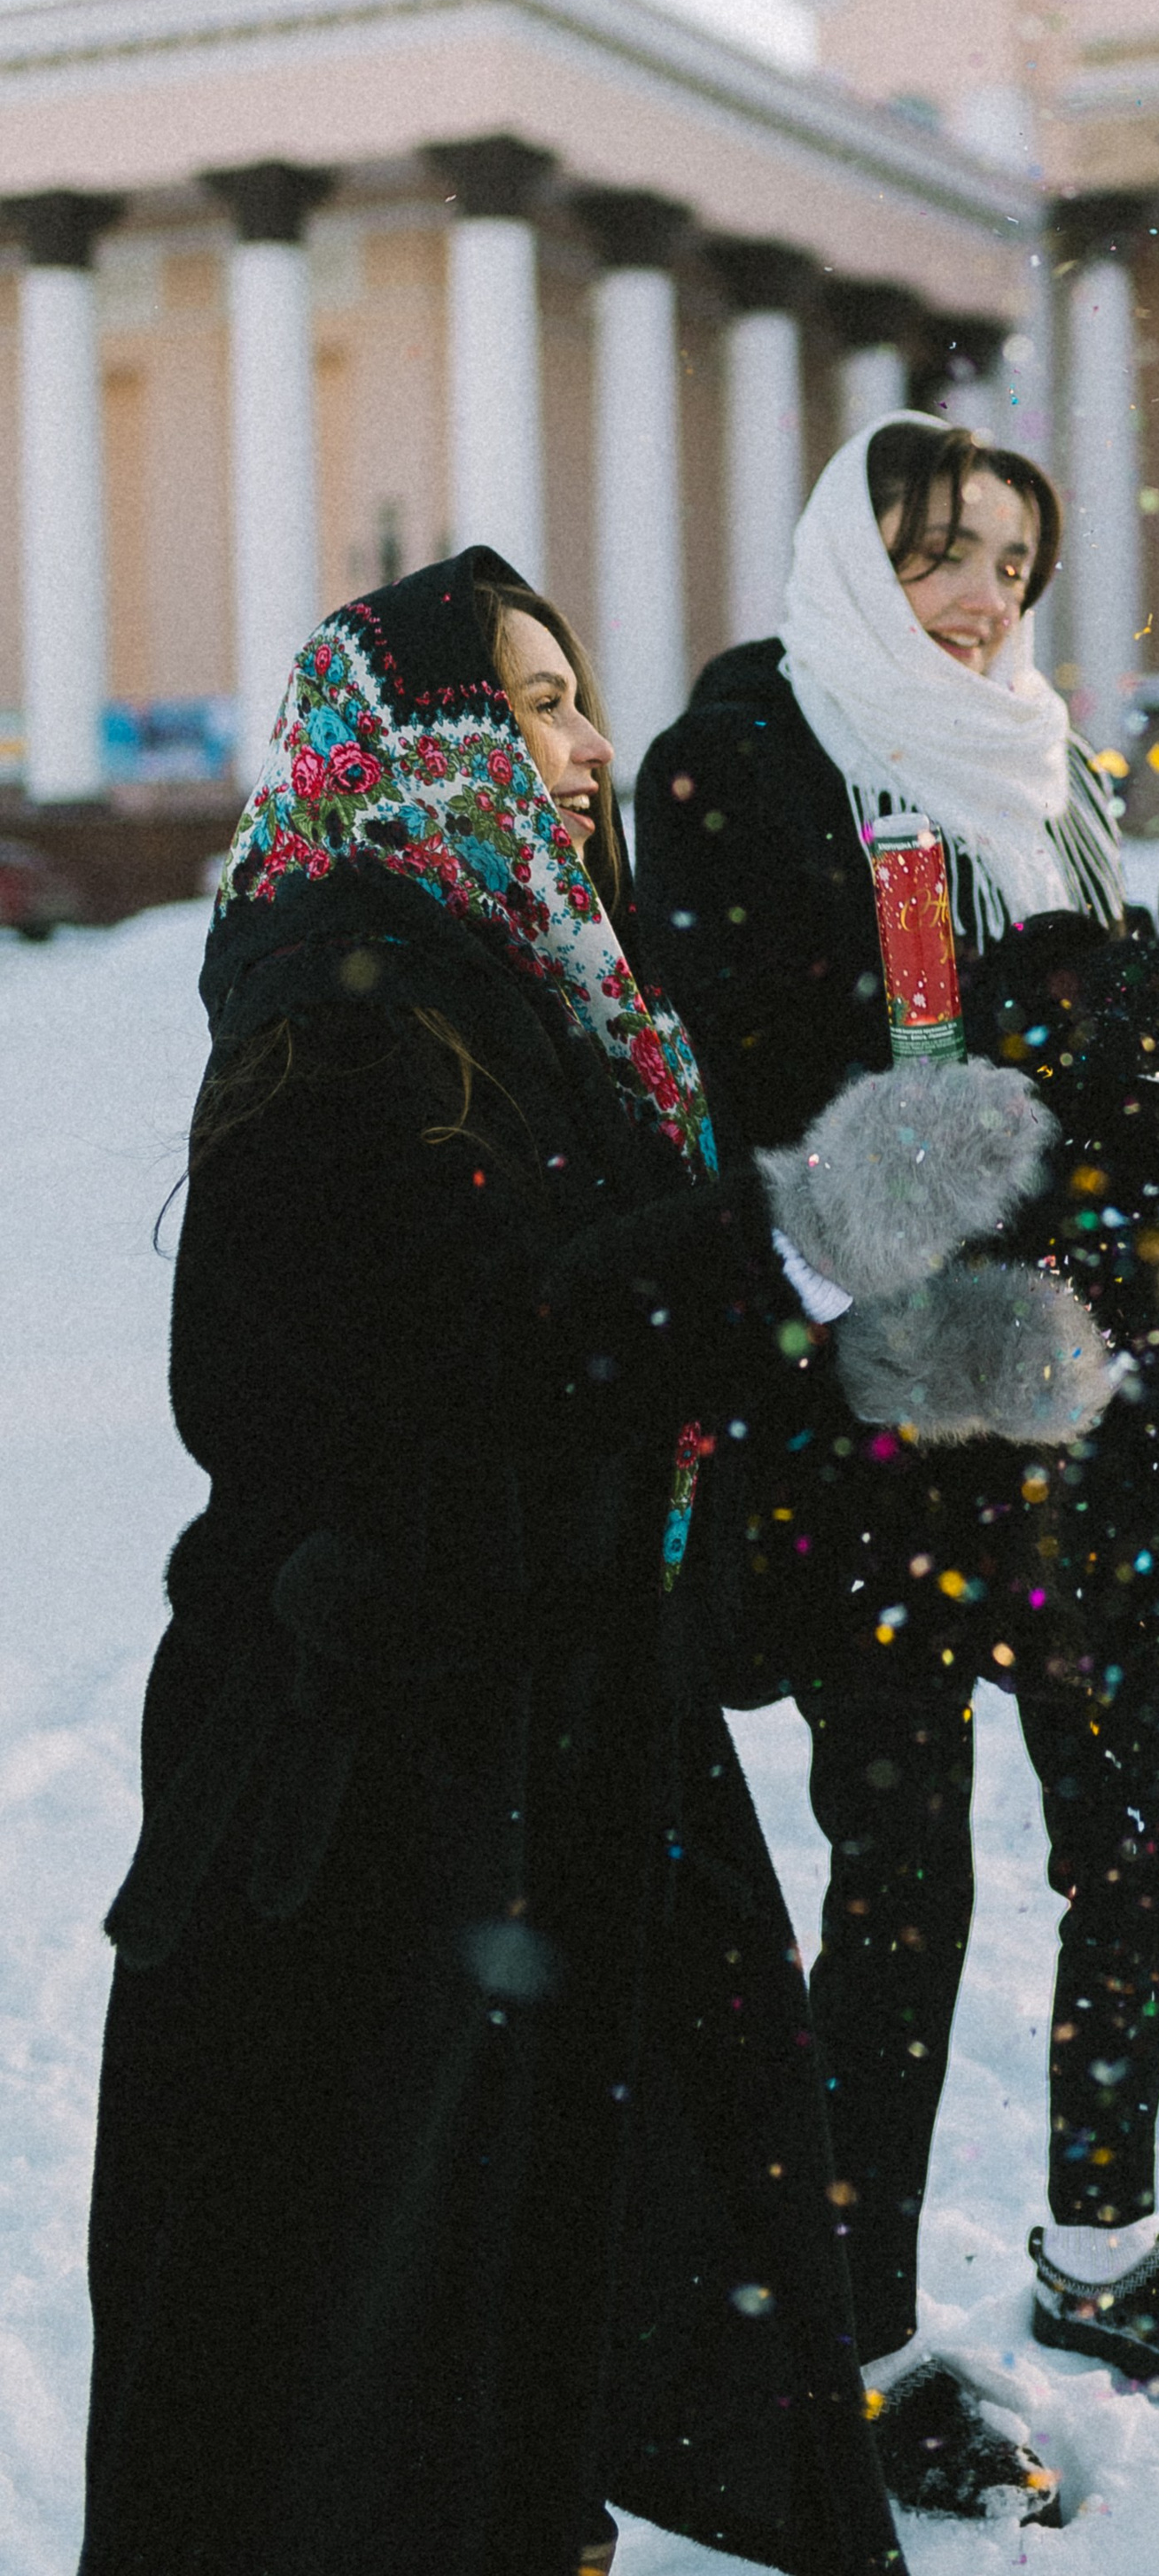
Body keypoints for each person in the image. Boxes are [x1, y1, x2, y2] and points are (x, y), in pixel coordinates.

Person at [82, 543, 1102, 2576]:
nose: (584, 743)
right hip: (372, 1794)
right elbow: (420, 1365)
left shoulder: (562, 995)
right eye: (533, 700)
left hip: (561, 1761)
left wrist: (880, 1387)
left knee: (544, 2308)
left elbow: (634, 1392)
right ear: (420, 741)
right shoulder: (341, 980)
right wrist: (794, 1239)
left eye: (575, 697)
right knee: (371, 2369)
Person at [636, 416, 1159, 2525]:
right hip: (883, 1423)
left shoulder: (1041, 767)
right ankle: (858, 2337)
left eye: (1010, 561)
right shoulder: (746, 765)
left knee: (1134, 1844)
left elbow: (1112, 1087)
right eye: (940, 554)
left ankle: (1095, 2248)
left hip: (1082, 1418)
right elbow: (781, 1110)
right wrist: (1031, 1049)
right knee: (903, 1886)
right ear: (853, 562)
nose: (982, 598)